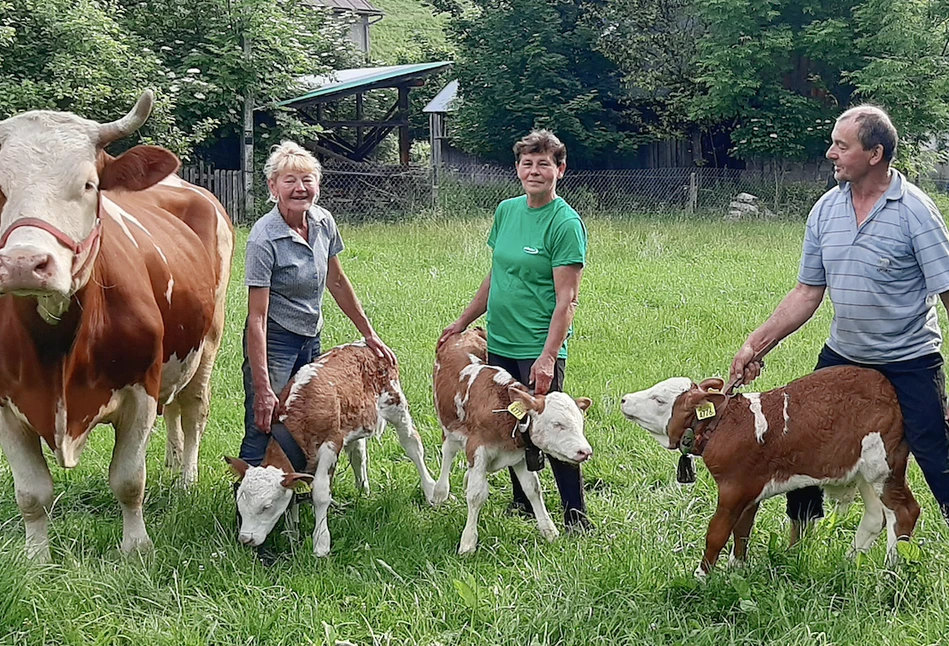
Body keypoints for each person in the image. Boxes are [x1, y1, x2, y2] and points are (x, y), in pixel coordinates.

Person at [731, 105, 949, 544]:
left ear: (875, 153)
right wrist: (757, 344)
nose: (830, 152)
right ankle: (800, 537)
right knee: (803, 438)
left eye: (841, 145)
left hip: (910, 358)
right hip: (845, 354)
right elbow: (807, 293)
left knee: (934, 449)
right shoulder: (826, 210)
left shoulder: (916, 213)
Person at [438, 129, 592, 532]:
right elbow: (496, 274)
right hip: (500, 341)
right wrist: (464, 321)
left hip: (538, 345)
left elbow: (567, 300)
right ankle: (523, 501)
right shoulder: (507, 211)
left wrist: (547, 356)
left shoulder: (564, 223)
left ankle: (575, 515)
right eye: (528, 163)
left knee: (553, 425)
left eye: (544, 164)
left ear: (561, 169)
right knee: (510, 421)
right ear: (518, 169)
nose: (535, 171)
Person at [239, 141, 395, 467]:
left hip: (311, 336)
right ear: (273, 186)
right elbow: (257, 317)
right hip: (276, 339)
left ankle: (304, 492)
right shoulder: (264, 238)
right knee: (266, 420)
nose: (300, 188)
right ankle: (248, 503)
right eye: (289, 180)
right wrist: (263, 386)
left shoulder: (323, 222)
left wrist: (369, 333)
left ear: (317, 185)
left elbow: (336, 281)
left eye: (307, 180)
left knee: (310, 415)